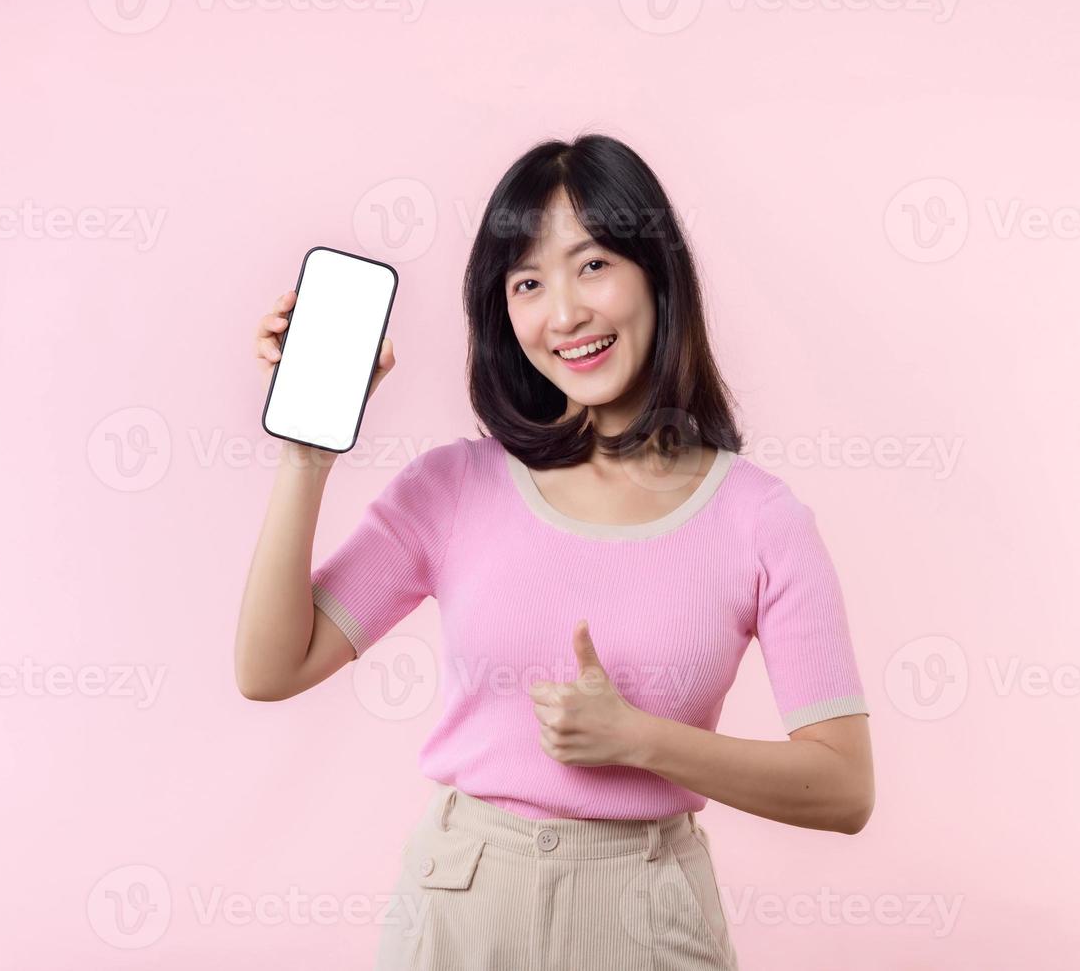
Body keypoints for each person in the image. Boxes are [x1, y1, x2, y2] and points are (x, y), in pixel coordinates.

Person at [235, 132, 875, 970]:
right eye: (528, 281)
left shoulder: (761, 519)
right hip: (461, 905)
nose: (565, 312)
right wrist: (308, 454)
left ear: (657, 272)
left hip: (647, 912)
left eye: (593, 264)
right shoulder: (451, 488)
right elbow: (271, 668)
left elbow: (843, 787)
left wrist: (639, 739)